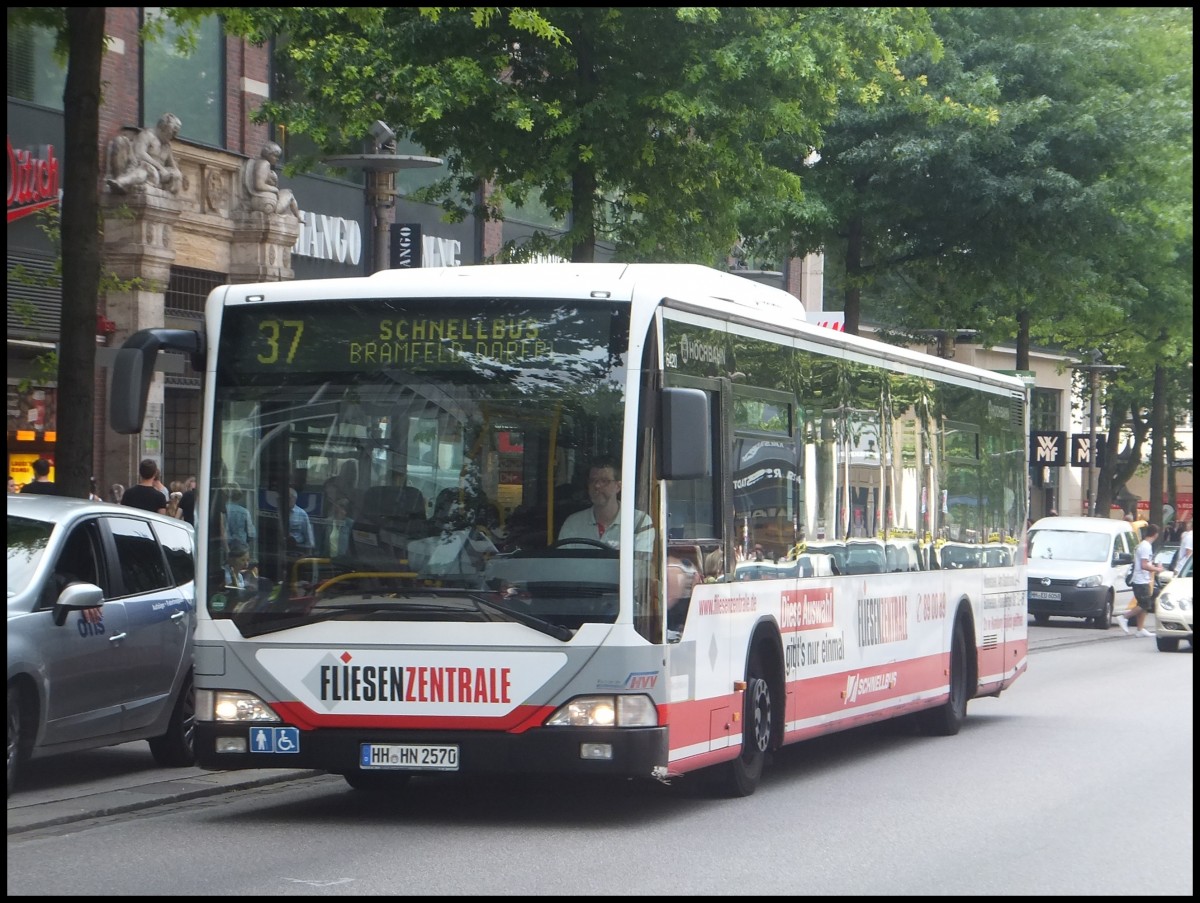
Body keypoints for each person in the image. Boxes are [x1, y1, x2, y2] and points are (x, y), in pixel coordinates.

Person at [557, 456, 654, 552]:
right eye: (592, 481)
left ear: (618, 486)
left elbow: (640, 565)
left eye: (604, 481)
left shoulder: (639, 521)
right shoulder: (573, 523)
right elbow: (562, 564)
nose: (597, 486)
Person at [105, 112, 184, 194]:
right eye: (173, 131)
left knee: (173, 174)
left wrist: (175, 175)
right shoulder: (147, 135)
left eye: (176, 132)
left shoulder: (167, 147)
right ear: (164, 127)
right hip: (140, 170)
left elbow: (174, 168)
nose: (174, 136)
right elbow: (140, 154)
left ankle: (121, 182)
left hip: (156, 178)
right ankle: (121, 182)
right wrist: (160, 168)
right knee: (146, 168)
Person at [1118, 522, 1164, 637]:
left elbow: (1145, 563)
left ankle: (1140, 629)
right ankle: (1124, 617)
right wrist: (1157, 569)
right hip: (1140, 580)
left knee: (1142, 604)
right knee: (1145, 604)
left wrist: (1153, 566)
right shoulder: (1146, 546)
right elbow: (1144, 565)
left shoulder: (1143, 545)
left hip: (1142, 579)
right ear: (1155, 534)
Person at [242, 141, 300, 217]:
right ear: (268, 154)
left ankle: (297, 217)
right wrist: (275, 190)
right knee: (289, 194)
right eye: (275, 156)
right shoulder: (265, 164)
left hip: (261, 201)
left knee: (286, 191)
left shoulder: (258, 162)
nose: (277, 159)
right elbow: (259, 185)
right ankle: (299, 218)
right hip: (267, 204)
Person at [287, 487, 315, 554]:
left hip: (297, 549)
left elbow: (308, 535)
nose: (285, 500)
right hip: (280, 548)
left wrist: (309, 555)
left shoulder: (301, 514)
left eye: (288, 497)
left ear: (294, 499)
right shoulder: (279, 512)